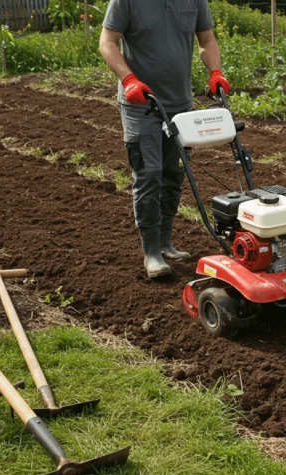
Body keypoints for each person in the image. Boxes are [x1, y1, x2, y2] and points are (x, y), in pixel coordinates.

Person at [99, 0, 230, 278]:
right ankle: (151, 252)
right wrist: (128, 79)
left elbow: (206, 39)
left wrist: (215, 71)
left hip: (180, 104)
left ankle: (165, 242)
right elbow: (107, 42)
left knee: (174, 173)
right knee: (149, 174)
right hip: (140, 103)